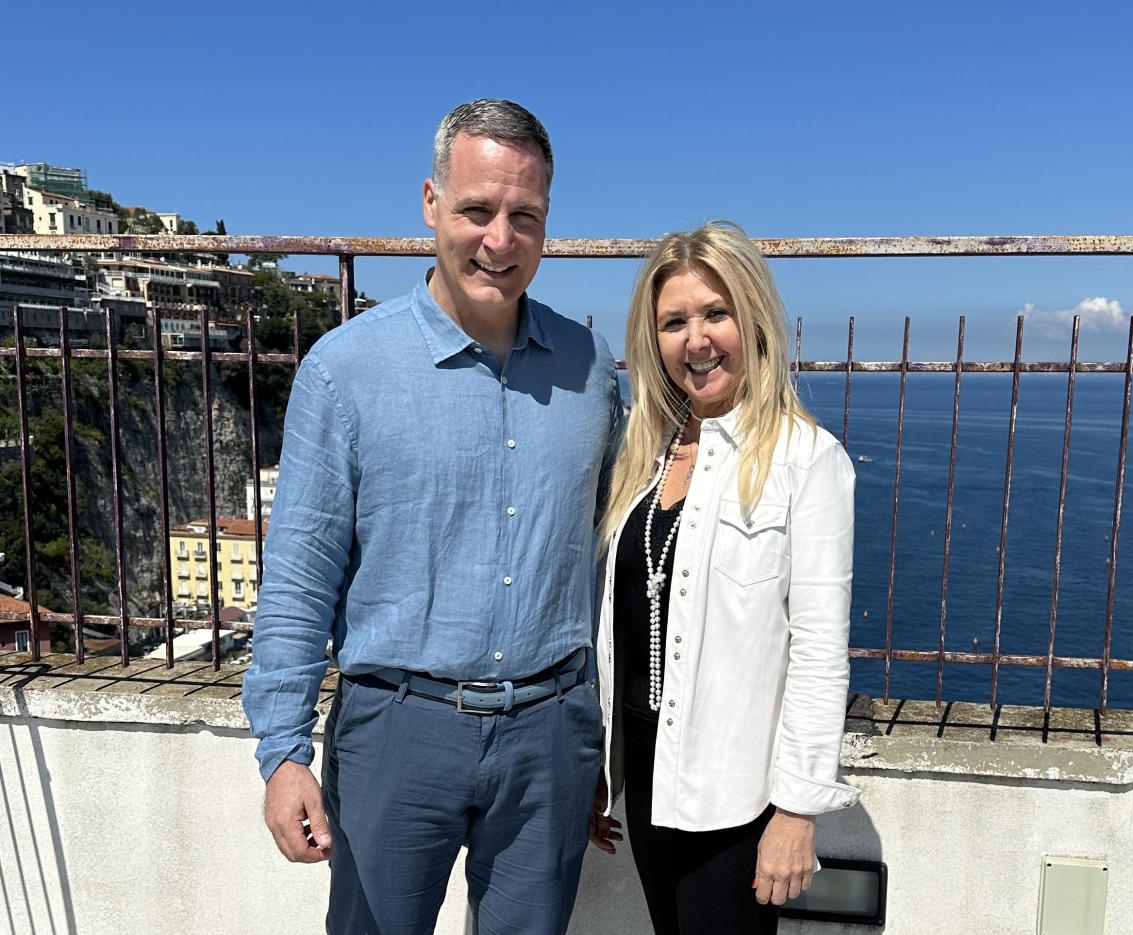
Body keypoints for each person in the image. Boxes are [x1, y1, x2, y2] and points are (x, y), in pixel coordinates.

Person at [242, 99, 624, 935]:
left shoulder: (593, 370)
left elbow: (609, 551)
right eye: (477, 210)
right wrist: (283, 753)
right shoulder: (346, 370)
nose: (500, 239)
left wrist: (600, 735)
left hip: (551, 732)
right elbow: (300, 578)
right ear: (430, 203)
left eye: (525, 215)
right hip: (395, 731)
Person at [589, 221, 860, 934]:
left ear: (754, 318)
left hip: (737, 805)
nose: (696, 340)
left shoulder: (808, 460)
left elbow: (819, 649)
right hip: (645, 784)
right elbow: (620, 627)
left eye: (716, 313)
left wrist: (797, 812)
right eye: (674, 321)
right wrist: (601, 763)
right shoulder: (640, 452)